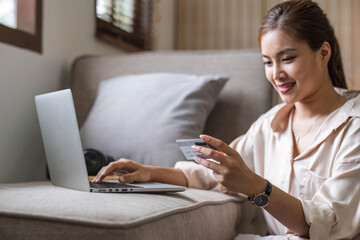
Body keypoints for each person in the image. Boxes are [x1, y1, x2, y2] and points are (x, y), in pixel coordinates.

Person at [92, 0, 360, 239]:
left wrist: (256, 186)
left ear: (323, 53)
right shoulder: (269, 125)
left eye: (287, 59)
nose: (276, 74)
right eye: (267, 62)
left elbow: (331, 225)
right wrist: (148, 171)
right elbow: (210, 174)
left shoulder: (354, 124)